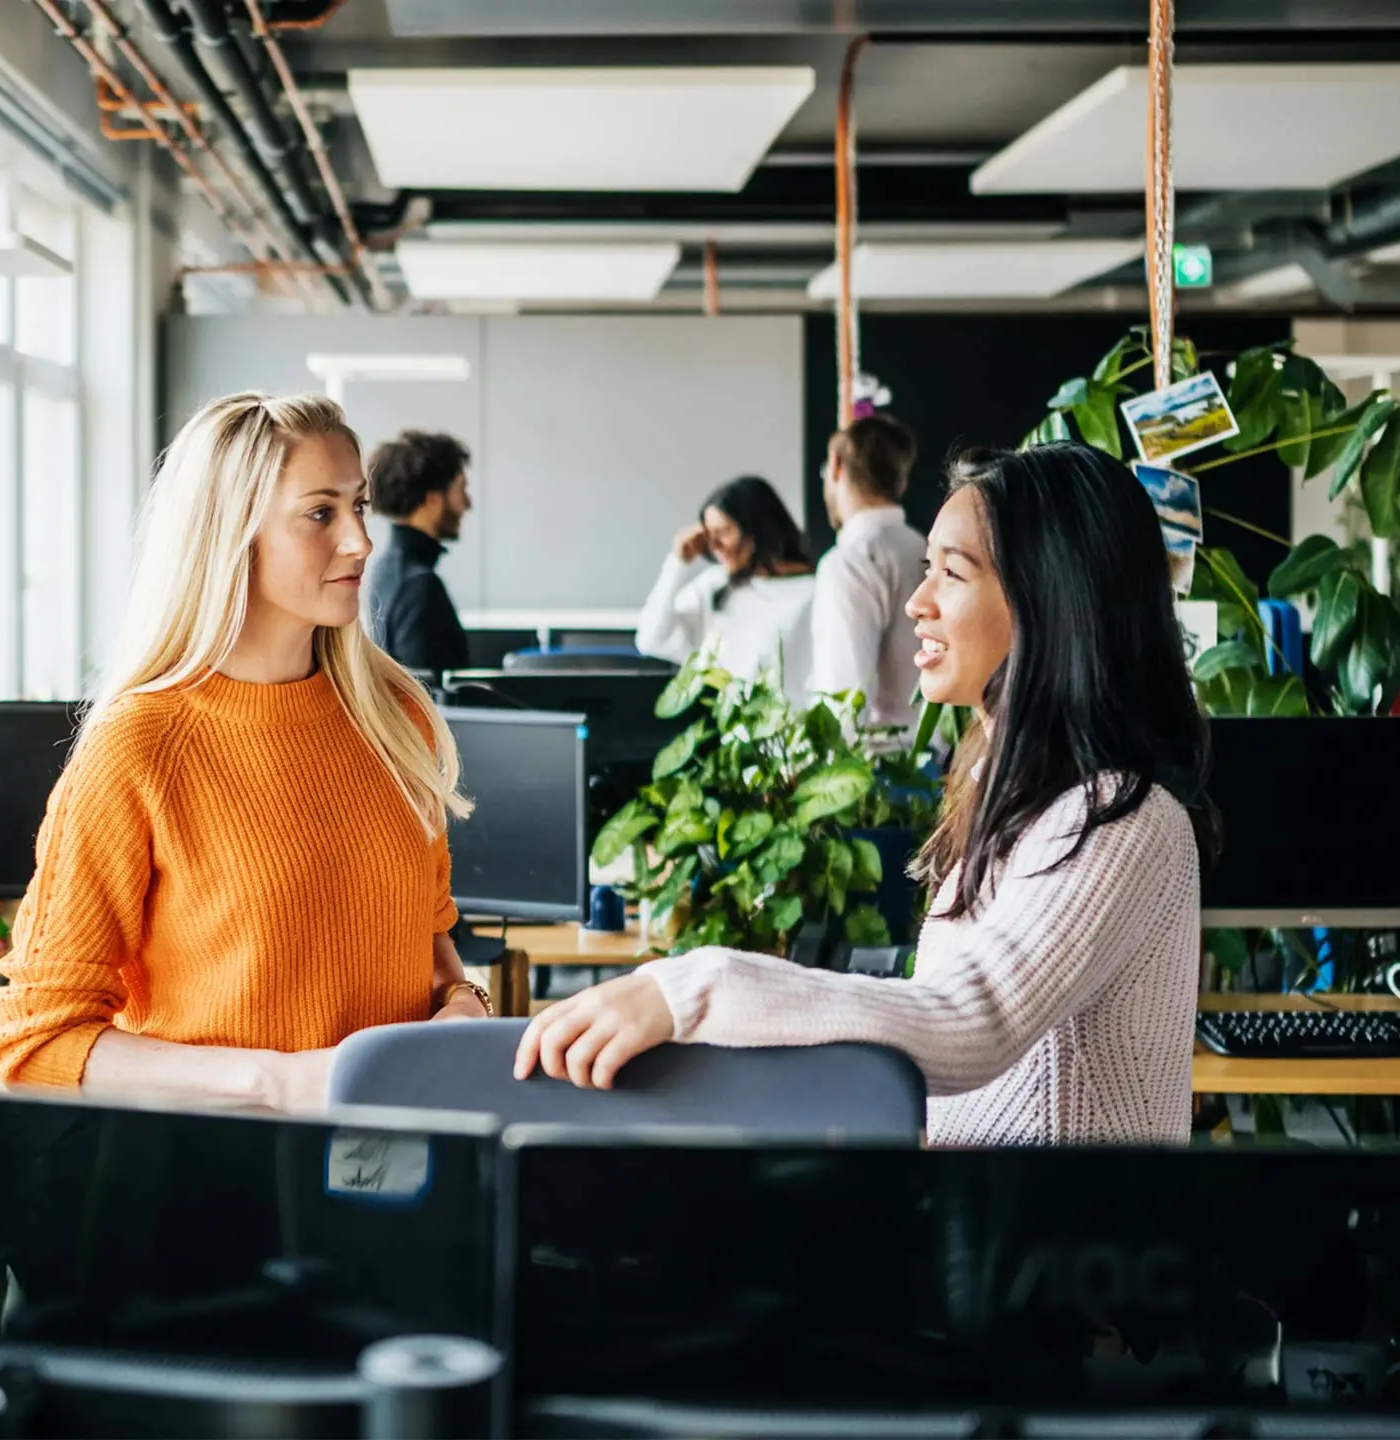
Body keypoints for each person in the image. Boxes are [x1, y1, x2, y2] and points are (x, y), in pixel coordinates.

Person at [517, 443, 1214, 1146]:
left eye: (952, 572)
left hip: (1070, 1251)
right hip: (988, 1229)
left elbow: (974, 1018)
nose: (917, 602)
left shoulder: (1119, 818)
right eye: (925, 570)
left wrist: (692, 987)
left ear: (1049, 600)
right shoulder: (1013, 795)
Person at [0, 393, 491, 1112]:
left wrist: (461, 998)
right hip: (216, 1181)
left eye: (360, 506)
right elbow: (38, 1040)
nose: (360, 541)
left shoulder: (393, 714)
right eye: (321, 514)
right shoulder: (140, 746)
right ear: (232, 535)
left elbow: (424, 930)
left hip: (389, 1162)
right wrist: (277, 1080)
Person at [634, 476, 819, 690]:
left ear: (756, 529)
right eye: (709, 536)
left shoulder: (814, 591)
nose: (715, 547)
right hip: (721, 720)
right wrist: (677, 564)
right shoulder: (715, 585)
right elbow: (649, 639)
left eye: (722, 532)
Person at [807, 414, 929, 733]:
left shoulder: (848, 562)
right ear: (900, 481)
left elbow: (844, 698)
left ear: (835, 466)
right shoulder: (928, 549)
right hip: (944, 759)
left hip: (881, 767)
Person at [363, 429, 473, 678]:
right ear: (433, 500)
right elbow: (431, 697)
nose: (467, 503)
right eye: (461, 490)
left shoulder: (387, 567)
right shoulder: (419, 585)